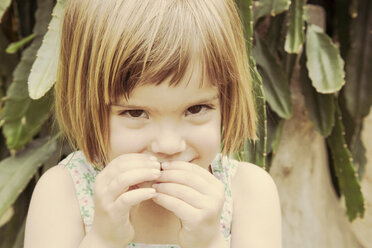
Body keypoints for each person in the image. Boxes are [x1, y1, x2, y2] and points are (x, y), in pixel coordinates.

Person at [24, 0, 282, 247]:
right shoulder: (64, 191)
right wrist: (103, 240)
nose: (168, 145)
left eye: (196, 109)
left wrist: (209, 242)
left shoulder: (248, 192)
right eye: (135, 113)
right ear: (87, 105)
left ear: (227, 100)